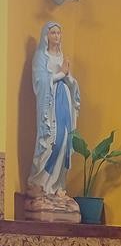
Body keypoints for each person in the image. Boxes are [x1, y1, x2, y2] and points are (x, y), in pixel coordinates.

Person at [29, 21, 80, 198]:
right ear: (46, 36)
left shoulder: (61, 57)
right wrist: (61, 74)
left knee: (65, 139)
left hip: (64, 100)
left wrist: (69, 78)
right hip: (50, 104)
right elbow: (40, 81)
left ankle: (57, 184)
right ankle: (40, 182)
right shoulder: (40, 57)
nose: (57, 36)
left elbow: (70, 80)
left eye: (59, 33)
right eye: (53, 33)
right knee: (52, 141)